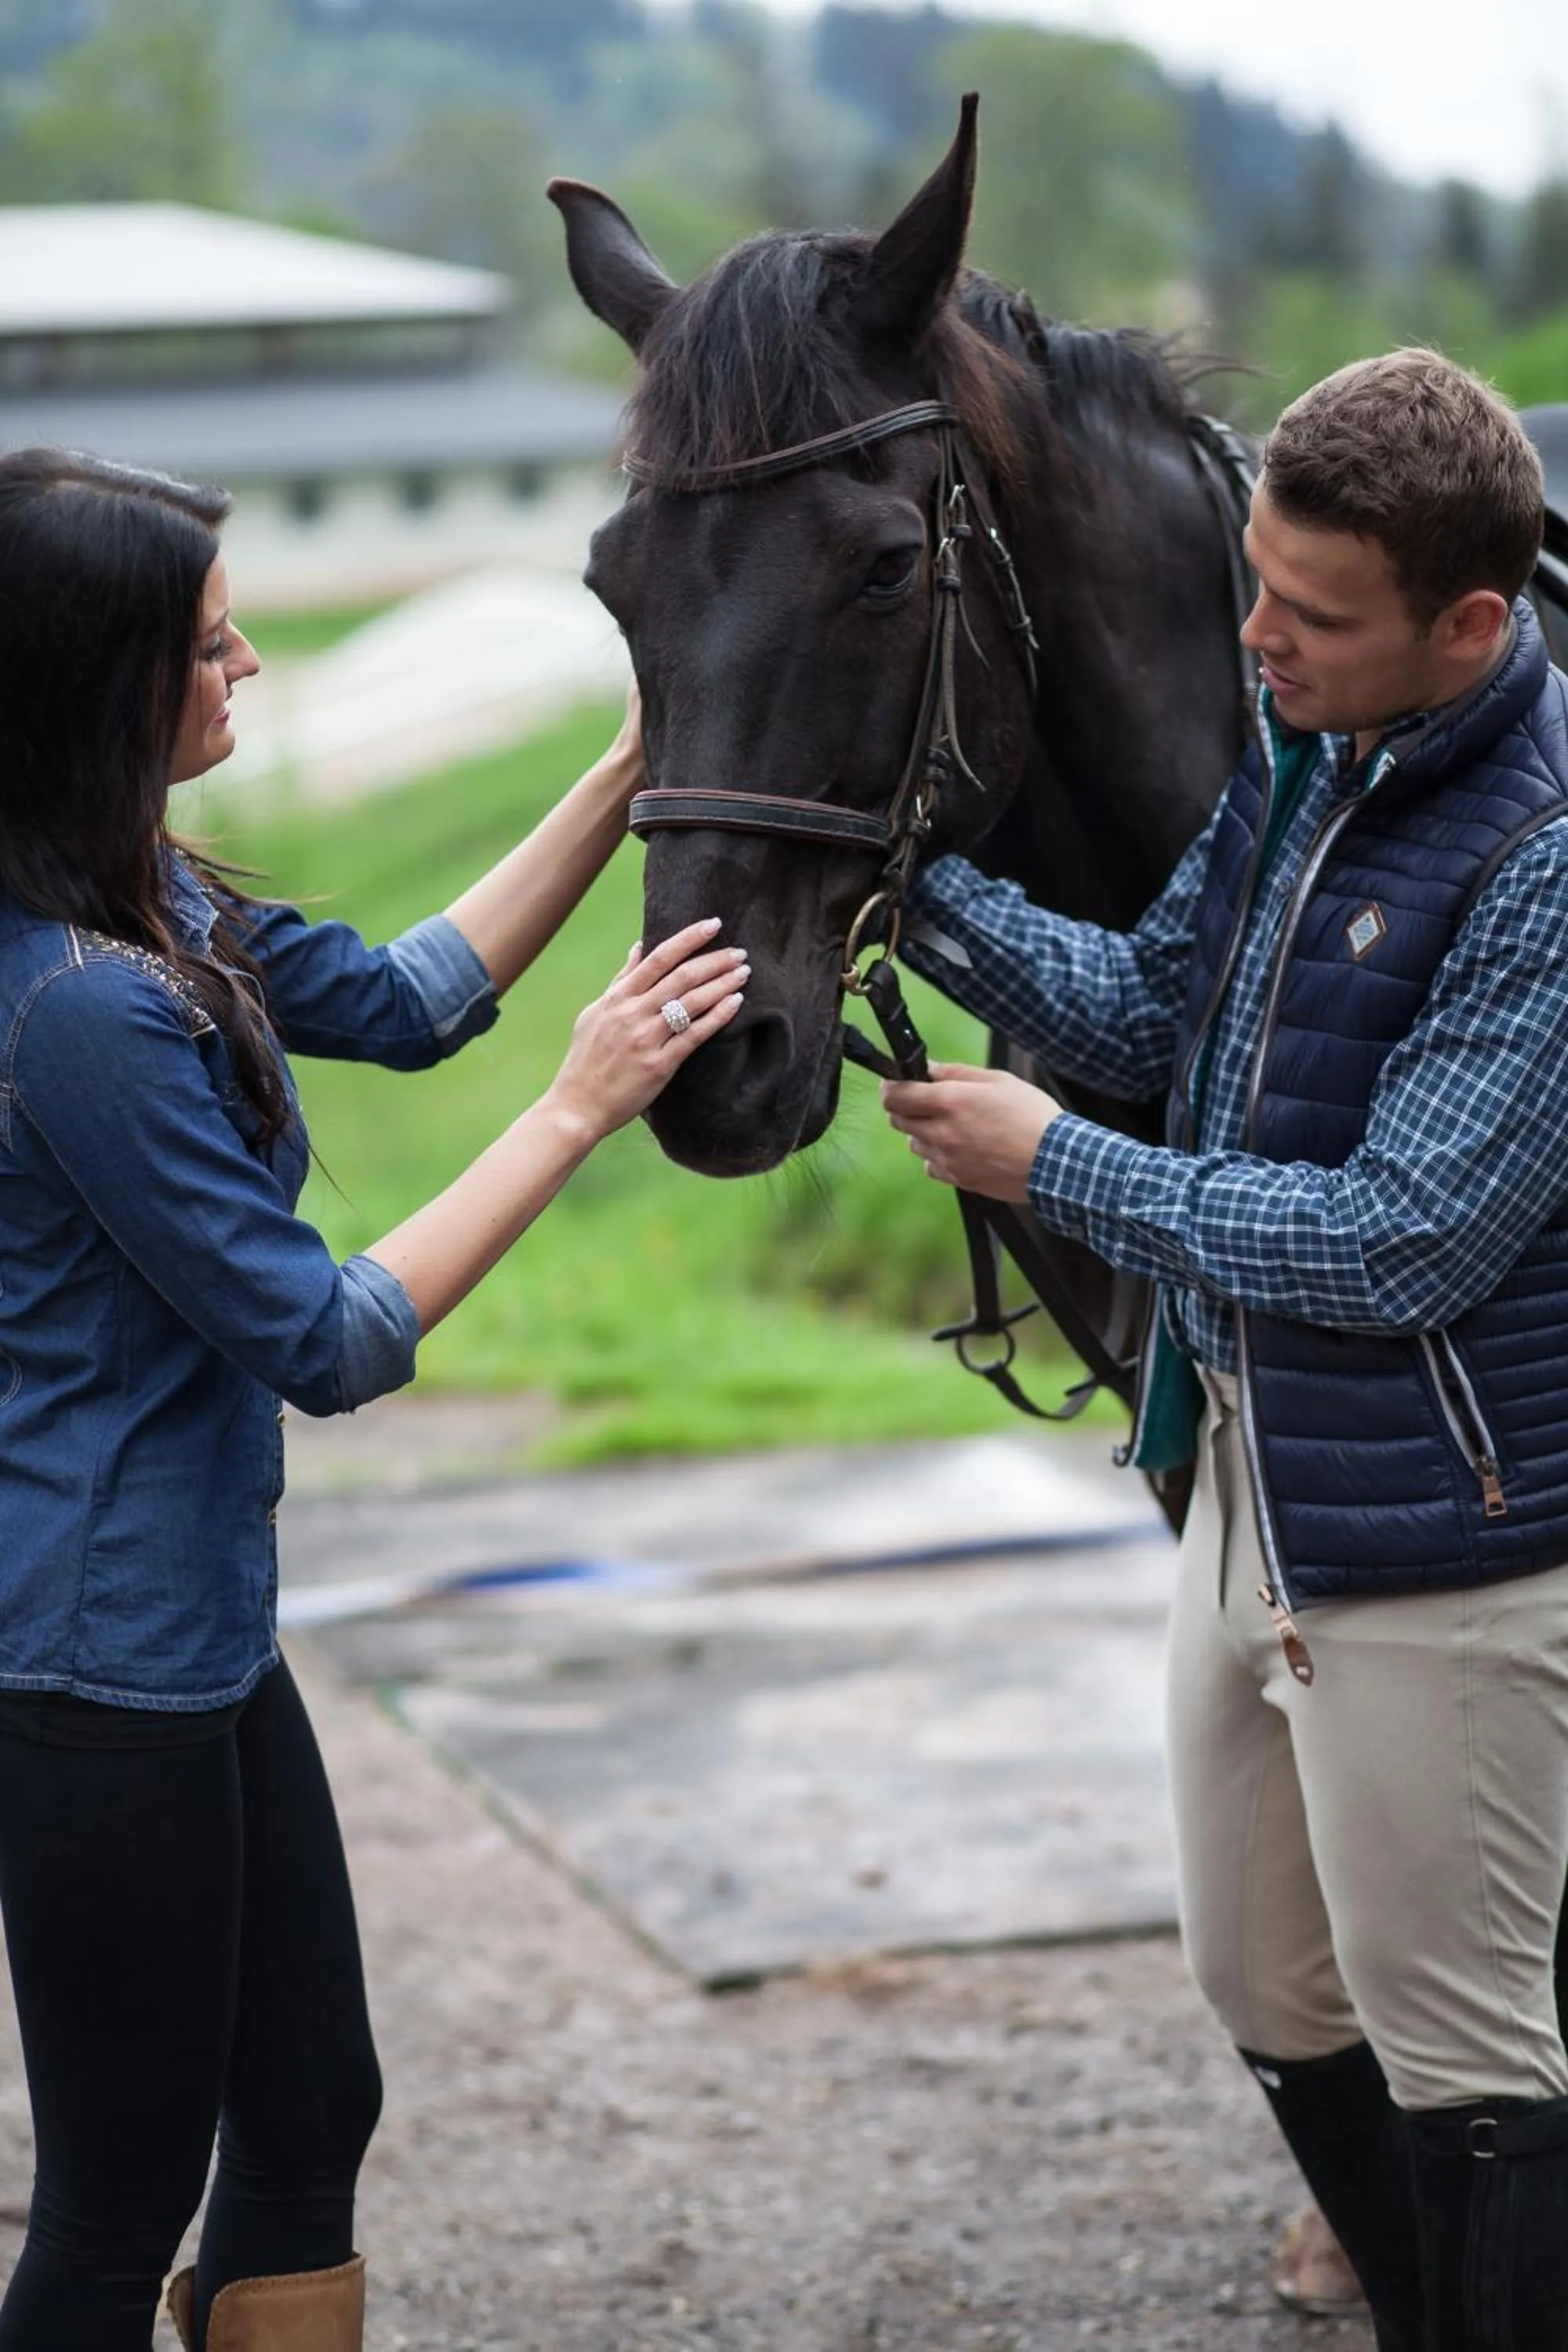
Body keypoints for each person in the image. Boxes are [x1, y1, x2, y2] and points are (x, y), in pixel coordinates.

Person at [0, 445, 748, 2352]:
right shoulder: (75, 1002)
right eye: (207, 641)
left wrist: (625, 772)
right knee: (109, 2204)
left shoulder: (130, 891)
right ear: (93, 684)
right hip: (91, 1675)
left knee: (314, 2104)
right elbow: (322, 1339)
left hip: (189, 1639)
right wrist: (579, 1110)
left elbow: (411, 998)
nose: (243, 661)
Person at [880, 350, 1568, 2350]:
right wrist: (904, 889)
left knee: (1473, 2061)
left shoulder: (1541, 851)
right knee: (1265, 1982)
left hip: (1453, 1539)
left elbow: (1405, 1238)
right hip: (1256, 1484)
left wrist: (1061, 1170)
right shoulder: (1303, 756)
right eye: (1250, 581)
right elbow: (1154, 1000)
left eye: (1308, 611)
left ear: (1470, 621)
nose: (1251, 635)